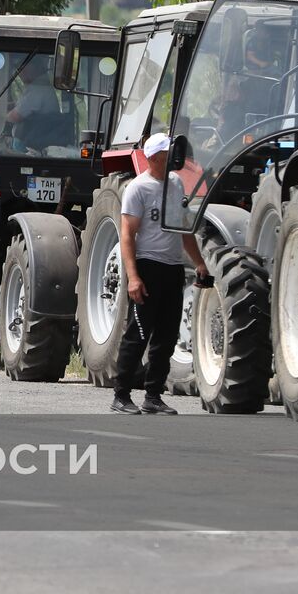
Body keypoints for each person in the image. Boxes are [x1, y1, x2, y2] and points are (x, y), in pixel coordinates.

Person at [113, 132, 209, 415]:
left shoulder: (176, 184)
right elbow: (127, 235)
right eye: (167, 154)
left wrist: (199, 263)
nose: (173, 158)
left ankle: (153, 395)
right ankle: (121, 395)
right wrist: (133, 277)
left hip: (172, 268)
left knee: (166, 337)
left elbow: (183, 229)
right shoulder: (138, 188)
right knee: (138, 334)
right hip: (147, 267)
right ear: (154, 157)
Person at [5, 56, 64, 151]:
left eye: (24, 69)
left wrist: (1, 115)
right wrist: (12, 105)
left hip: (29, 145)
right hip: (34, 140)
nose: (21, 73)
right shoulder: (41, 87)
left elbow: (16, 116)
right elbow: (25, 105)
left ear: (36, 68)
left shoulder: (38, 89)